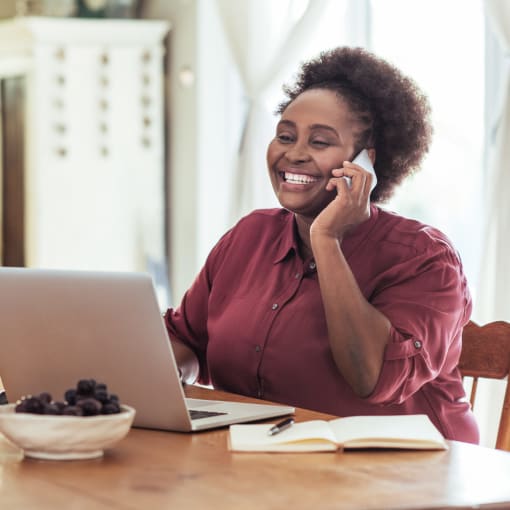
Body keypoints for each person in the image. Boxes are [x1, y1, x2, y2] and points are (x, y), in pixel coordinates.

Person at [165, 47, 479, 443]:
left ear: (365, 162)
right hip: (268, 468)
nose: (293, 154)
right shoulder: (249, 236)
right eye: (285, 136)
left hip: (409, 481)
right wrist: (163, 373)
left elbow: (373, 378)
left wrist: (326, 239)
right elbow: (187, 340)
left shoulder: (424, 259)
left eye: (319, 142)